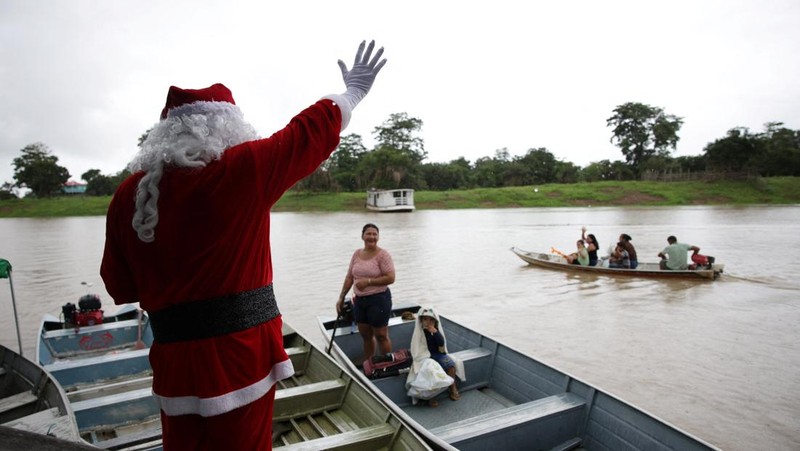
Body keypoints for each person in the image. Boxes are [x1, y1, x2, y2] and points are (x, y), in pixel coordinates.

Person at [100, 40, 387, 450]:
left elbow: (120, 288)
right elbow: (303, 135)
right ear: (227, 125)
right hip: (242, 359)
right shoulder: (241, 170)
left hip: (174, 364)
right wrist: (351, 94)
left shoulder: (127, 196)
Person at [337, 223, 396, 364]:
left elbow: (391, 277)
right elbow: (349, 277)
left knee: (381, 335)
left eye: (375, 234)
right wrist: (341, 297)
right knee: (365, 335)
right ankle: (370, 363)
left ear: (378, 237)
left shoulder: (383, 255)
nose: (372, 237)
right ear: (362, 236)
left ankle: (387, 365)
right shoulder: (357, 254)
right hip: (359, 301)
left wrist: (368, 282)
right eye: (369, 234)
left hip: (379, 299)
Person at [407, 307, 464, 407]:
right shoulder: (419, 332)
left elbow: (441, 344)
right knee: (431, 371)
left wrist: (435, 332)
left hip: (436, 354)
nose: (428, 322)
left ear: (435, 321)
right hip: (424, 356)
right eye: (425, 319)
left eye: (431, 320)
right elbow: (417, 349)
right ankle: (432, 396)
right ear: (421, 320)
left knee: (450, 365)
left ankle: (453, 388)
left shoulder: (435, 331)